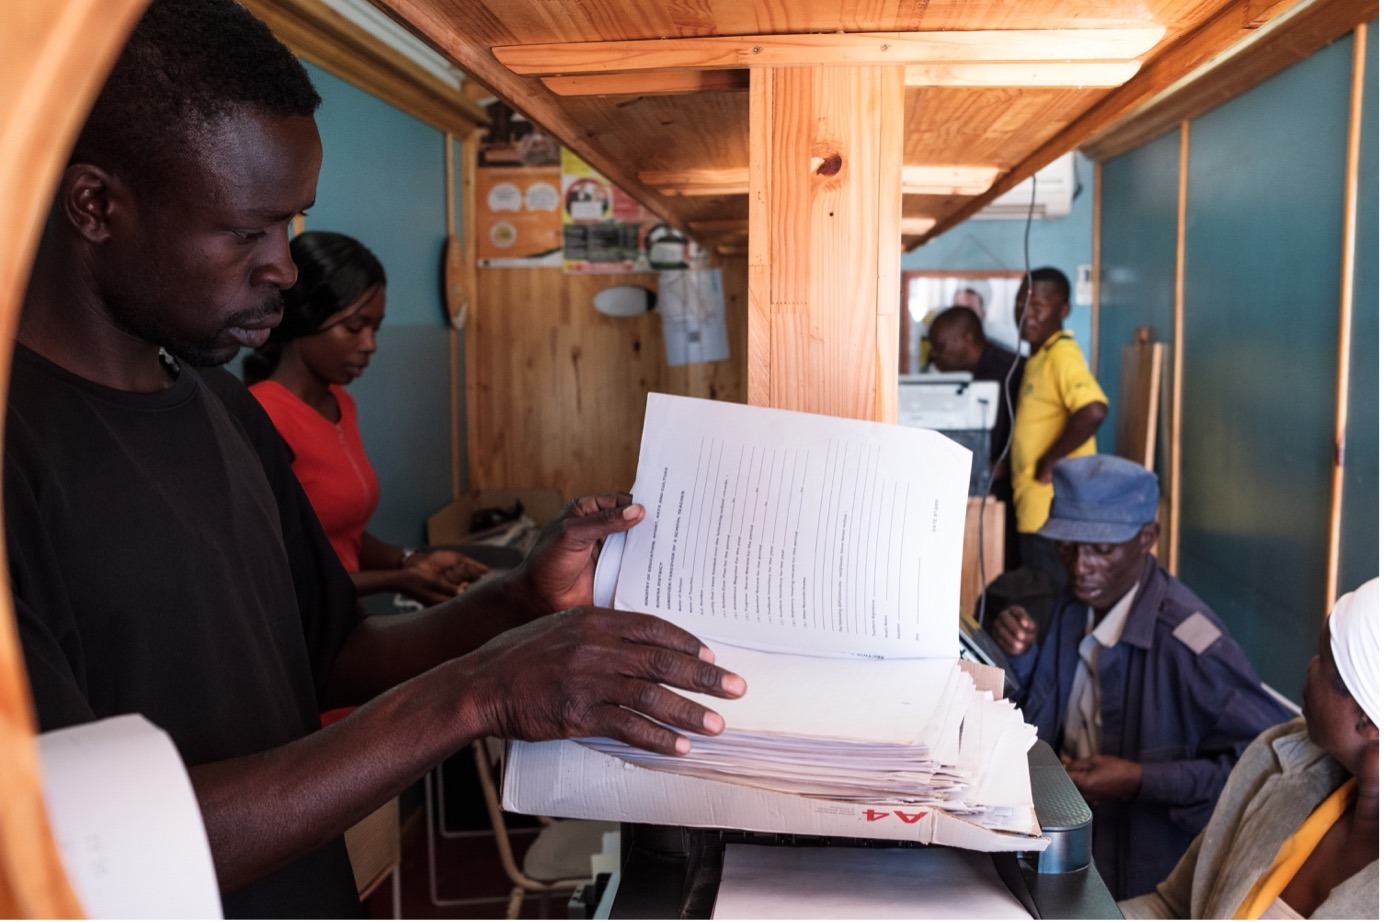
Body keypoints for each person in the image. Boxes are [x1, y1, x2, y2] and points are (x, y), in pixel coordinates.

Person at [7, 1, 745, 917]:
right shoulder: (21, 459)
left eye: (291, 225)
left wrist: (517, 602)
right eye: (246, 232)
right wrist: (475, 694)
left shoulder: (224, 412)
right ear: (95, 205)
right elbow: (78, 850)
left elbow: (335, 656)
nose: (281, 265)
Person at [988, 455, 1292, 900]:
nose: (1079, 566)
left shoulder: (1191, 645)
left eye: (1101, 550)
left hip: (1139, 880)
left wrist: (1141, 778)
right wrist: (1023, 654)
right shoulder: (1071, 606)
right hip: (1057, 839)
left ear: (1147, 538)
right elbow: (1040, 711)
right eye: (1068, 545)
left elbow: (1266, 769)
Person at [243, 231, 486, 606]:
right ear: (306, 317)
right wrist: (398, 579)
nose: (370, 344)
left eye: (376, 327)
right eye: (355, 327)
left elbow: (340, 537)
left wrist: (413, 560)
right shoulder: (264, 418)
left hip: (343, 621)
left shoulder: (340, 404)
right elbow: (280, 576)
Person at [1120, 578, 1379, 919]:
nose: (1310, 666)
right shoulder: (1278, 757)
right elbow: (1174, 908)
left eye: (1324, 658)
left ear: (1366, 720)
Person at [1011, 266, 1108, 586]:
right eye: (1020, 304)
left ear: (1063, 310)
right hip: (1035, 511)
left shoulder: (1061, 354)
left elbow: (1093, 409)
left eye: (1037, 306)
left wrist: (1050, 460)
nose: (1026, 314)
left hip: (1052, 514)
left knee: (1048, 606)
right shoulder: (1039, 356)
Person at [927, 305, 1024, 478]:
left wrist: (993, 470)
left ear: (967, 339)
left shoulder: (1009, 372)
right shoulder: (970, 375)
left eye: (939, 346)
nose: (933, 354)